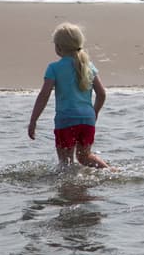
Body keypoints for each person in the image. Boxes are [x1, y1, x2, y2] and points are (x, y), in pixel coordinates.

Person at [28, 22, 111, 168]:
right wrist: (94, 112)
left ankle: (68, 189)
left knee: (66, 163)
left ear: (58, 47)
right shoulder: (88, 66)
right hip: (87, 120)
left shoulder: (54, 68)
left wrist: (33, 120)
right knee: (85, 157)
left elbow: (44, 95)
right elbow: (102, 94)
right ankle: (110, 171)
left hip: (66, 120)